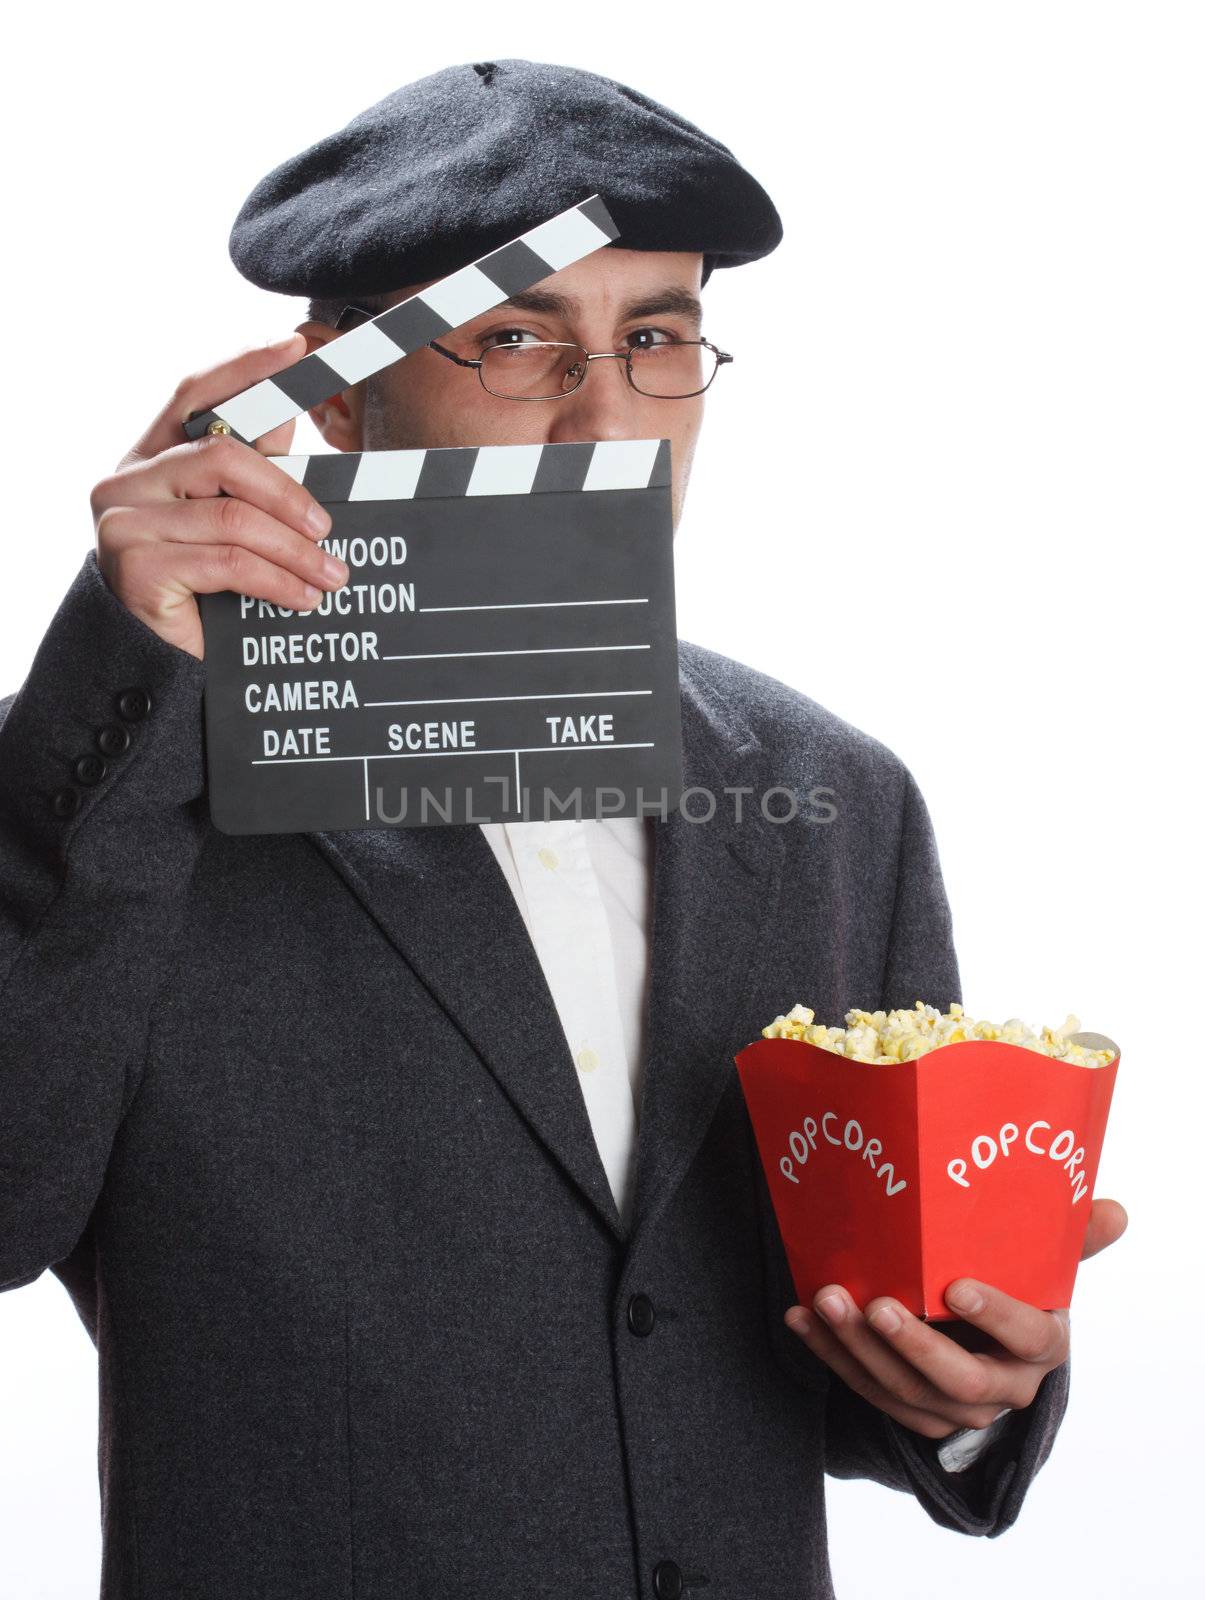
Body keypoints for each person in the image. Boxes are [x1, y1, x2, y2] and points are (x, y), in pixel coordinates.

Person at [0, 59, 1125, 1600]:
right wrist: (114, 676)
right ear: (337, 391)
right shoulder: (126, 781)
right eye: (518, 337)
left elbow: (828, 1330)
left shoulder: (831, 794)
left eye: (655, 338)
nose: (607, 410)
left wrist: (965, 1394)